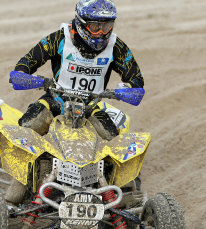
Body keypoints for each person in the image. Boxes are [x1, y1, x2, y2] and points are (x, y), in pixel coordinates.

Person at [14, 0, 144, 141]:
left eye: (106, 26)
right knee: (26, 129)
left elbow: (136, 80)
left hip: (91, 105)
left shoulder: (116, 46)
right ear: (81, 23)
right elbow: (27, 61)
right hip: (54, 100)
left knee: (112, 140)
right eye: (95, 26)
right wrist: (22, 74)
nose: (101, 33)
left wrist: (126, 90)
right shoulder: (59, 38)